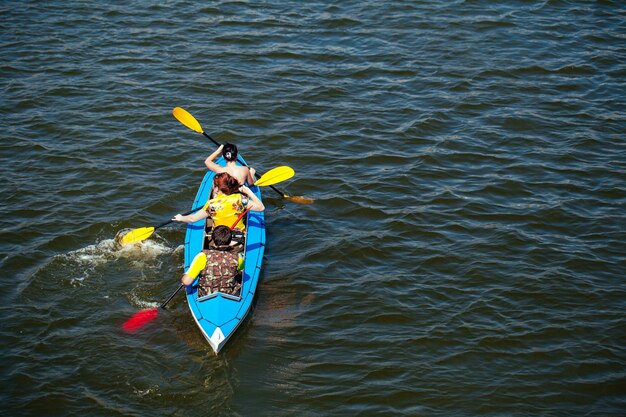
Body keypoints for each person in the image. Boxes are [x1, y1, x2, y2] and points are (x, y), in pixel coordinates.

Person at [172, 172, 264, 231]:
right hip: (238, 238)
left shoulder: (211, 204)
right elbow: (261, 207)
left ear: (216, 188)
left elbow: (193, 219)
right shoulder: (241, 198)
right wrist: (248, 191)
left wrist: (181, 218)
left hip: (219, 239)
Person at [180, 226, 242, 297]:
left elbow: (186, 282)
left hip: (206, 295)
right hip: (229, 295)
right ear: (230, 241)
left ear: (213, 240)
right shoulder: (237, 258)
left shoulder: (202, 257)